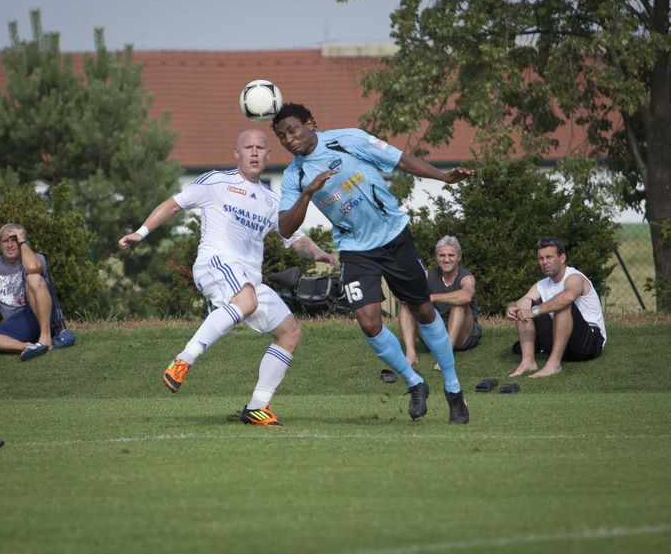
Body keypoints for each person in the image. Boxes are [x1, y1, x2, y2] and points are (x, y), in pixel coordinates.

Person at [118, 129, 339, 427]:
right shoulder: (216, 182)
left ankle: (258, 406)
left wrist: (320, 254)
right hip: (215, 263)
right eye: (248, 147)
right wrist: (140, 232)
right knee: (245, 299)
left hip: (247, 278)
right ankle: (183, 360)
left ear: (268, 155)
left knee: (290, 333)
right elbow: (173, 204)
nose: (254, 153)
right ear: (236, 153)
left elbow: (294, 237)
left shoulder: (271, 200)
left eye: (261, 148)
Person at [272, 103, 472, 424]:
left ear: (311, 123)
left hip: (395, 238)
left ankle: (453, 388)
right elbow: (284, 227)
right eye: (282, 136)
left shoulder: (348, 139)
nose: (289, 139)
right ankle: (415, 381)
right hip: (355, 250)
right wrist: (308, 194)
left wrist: (445, 178)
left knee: (422, 310)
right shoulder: (294, 175)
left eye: (293, 130)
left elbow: (401, 159)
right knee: (368, 322)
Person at [505, 237, 606, 378]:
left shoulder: (575, 277)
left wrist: (534, 311)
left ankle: (554, 365)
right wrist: (511, 308)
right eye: (541, 258)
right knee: (523, 305)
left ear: (562, 258)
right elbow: (522, 301)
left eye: (549, 257)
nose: (544, 262)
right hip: (561, 340)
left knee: (563, 305)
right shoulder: (542, 284)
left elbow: (568, 297)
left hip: (589, 343)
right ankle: (528, 361)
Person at [398, 235, 481, 370]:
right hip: (436, 329)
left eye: (451, 255)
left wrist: (434, 297)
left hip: (464, 335)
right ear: (436, 257)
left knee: (459, 303)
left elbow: (466, 296)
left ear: (459, 257)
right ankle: (410, 353)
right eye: (442, 255)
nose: (446, 259)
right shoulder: (426, 275)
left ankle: (446, 355)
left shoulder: (466, 277)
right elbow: (404, 294)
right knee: (406, 303)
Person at [0, 223, 55, 361]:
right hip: (15, 326)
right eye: (5, 241)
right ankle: (27, 346)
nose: (10, 245)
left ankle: (45, 339)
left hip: (38, 316)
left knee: (33, 278)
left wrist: (23, 241)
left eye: (14, 240)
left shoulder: (36, 259)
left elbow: (32, 268)